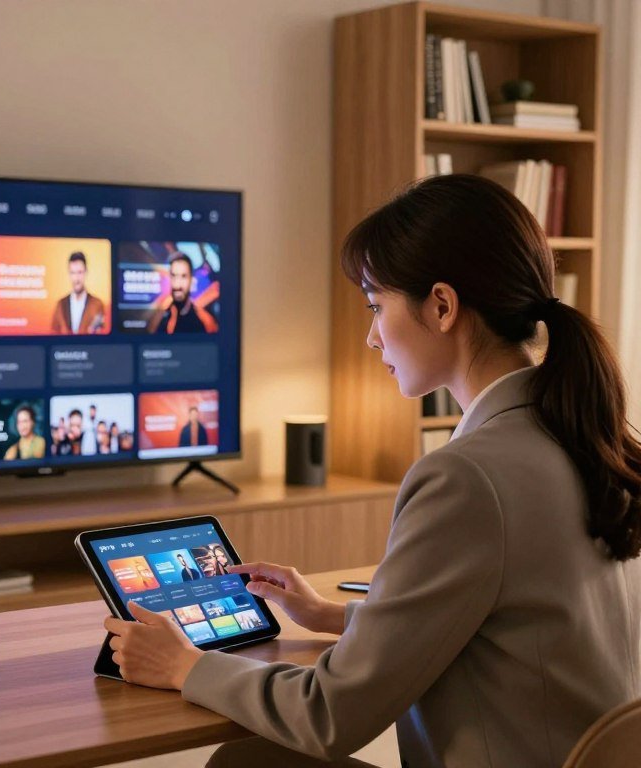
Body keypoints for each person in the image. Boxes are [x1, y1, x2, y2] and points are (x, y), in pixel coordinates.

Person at [103, 175, 641, 768]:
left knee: (248, 762)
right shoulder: (582, 435)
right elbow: (514, 621)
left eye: (376, 306)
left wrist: (184, 664)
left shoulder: (467, 478)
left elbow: (329, 715)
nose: (370, 335)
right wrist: (338, 615)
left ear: (441, 305)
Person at [150, 253, 218, 334]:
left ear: (191, 280)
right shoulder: (159, 318)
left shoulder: (205, 320)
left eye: (183, 276)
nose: (178, 284)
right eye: (174, 276)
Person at [50, 251, 106, 334]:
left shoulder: (97, 304)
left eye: (79, 272)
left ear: (86, 272)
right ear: (69, 274)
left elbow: (100, 335)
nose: (76, 279)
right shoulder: (60, 305)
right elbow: (53, 334)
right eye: (73, 273)